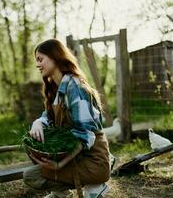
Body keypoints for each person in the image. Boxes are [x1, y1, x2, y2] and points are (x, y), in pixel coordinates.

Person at [23, 38, 116, 198]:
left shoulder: (76, 88)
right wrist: (38, 123)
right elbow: (49, 117)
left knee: (33, 176)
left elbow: (85, 136)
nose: (37, 65)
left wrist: (59, 164)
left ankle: (95, 185)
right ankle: (62, 192)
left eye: (40, 59)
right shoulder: (58, 88)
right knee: (31, 145)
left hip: (92, 160)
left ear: (55, 56)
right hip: (75, 155)